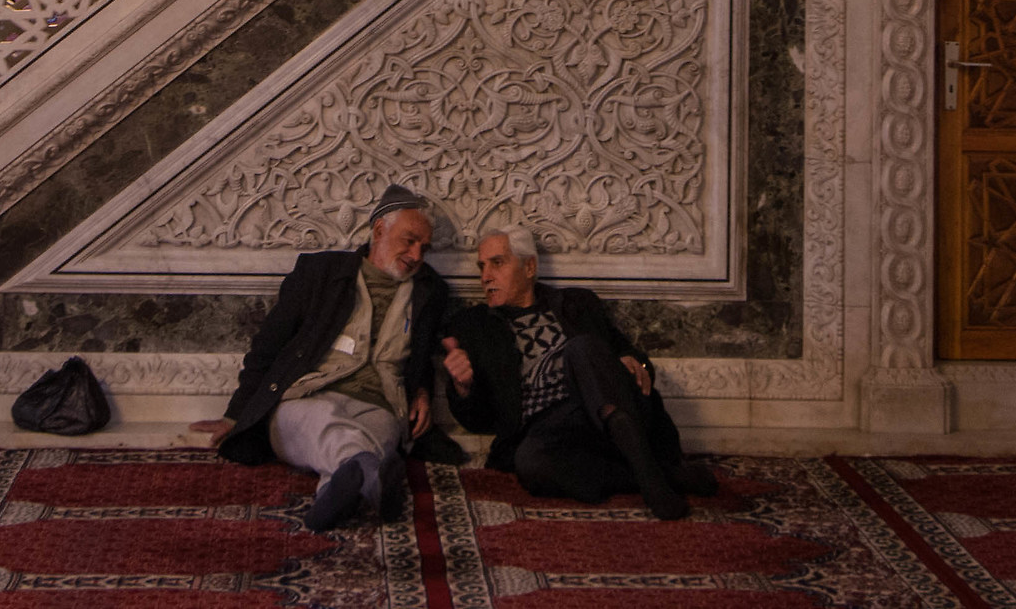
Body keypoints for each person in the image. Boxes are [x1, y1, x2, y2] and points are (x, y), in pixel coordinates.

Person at [190, 184, 447, 531]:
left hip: (381, 403)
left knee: (385, 430)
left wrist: (421, 392)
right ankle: (370, 478)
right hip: (306, 398)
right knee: (324, 420)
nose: (417, 255)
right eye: (409, 240)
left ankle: (340, 490)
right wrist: (236, 414)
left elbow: (428, 349)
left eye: (424, 248)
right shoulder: (321, 273)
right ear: (379, 230)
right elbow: (268, 346)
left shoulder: (429, 292)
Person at [439, 226, 715, 520]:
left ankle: (653, 486)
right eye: (482, 267)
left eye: (497, 263)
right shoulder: (474, 326)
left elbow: (632, 357)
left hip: (600, 405)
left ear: (529, 266)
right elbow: (478, 419)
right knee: (530, 463)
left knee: (579, 349)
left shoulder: (577, 304)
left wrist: (638, 364)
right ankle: (664, 477)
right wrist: (463, 387)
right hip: (550, 427)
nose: (485, 276)